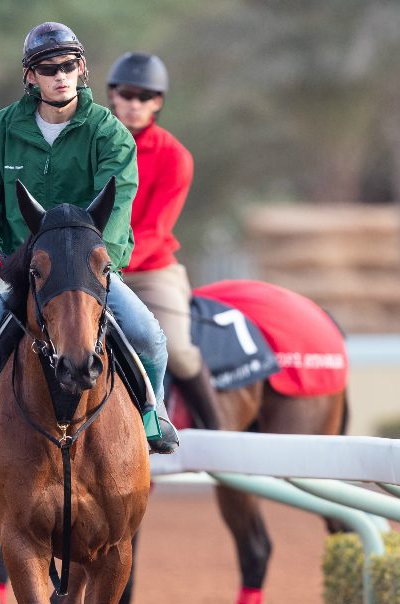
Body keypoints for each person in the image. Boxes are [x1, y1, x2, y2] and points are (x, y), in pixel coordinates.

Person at [0, 22, 180, 454]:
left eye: (68, 65)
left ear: (82, 70)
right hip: (20, 270)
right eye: (48, 67)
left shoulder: (109, 134)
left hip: (87, 275)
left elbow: (117, 206)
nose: (60, 75)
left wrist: (99, 261)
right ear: (30, 76)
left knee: (148, 335)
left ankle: (155, 415)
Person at [106, 52, 223, 431]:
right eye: (128, 94)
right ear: (113, 95)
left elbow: (155, 230)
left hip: (149, 270)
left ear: (158, 102)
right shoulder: (90, 145)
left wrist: (110, 263)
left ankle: (217, 430)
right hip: (90, 264)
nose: (136, 104)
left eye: (146, 97)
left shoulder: (176, 157)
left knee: (179, 350)